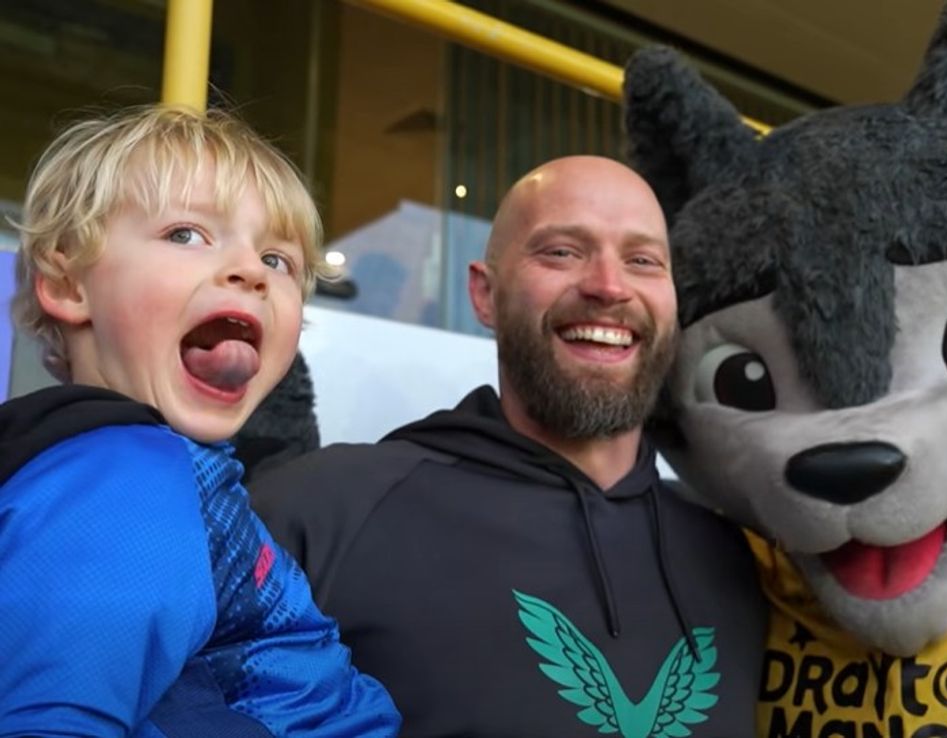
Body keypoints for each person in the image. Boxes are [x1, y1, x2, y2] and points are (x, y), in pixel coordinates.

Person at [251, 155, 767, 736]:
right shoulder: (324, 512)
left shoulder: (742, 556)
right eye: (562, 252)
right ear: (485, 294)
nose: (608, 286)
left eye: (642, 260)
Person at [0, 105, 401, 736]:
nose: (251, 271)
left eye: (279, 260)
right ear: (69, 285)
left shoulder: (170, 472)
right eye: (185, 234)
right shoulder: (127, 476)